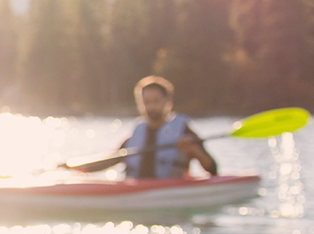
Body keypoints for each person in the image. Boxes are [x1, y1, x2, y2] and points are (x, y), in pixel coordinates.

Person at [63, 76, 218, 179]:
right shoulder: (135, 134)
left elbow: (212, 169)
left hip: (171, 196)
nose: (151, 106)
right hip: (137, 196)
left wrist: (193, 150)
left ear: (167, 101)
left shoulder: (184, 131)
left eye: (156, 101)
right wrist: (72, 166)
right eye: (146, 101)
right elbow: (109, 161)